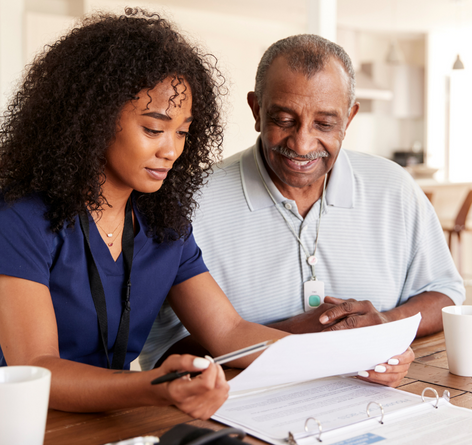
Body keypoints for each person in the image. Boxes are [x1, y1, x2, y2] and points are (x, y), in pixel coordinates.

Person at [0, 8, 298, 417]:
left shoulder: (165, 223)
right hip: (25, 424)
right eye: (154, 129)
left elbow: (230, 331)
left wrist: (347, 359)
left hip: (114, 421)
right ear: (93, 119)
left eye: (182, 131)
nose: (172, 150)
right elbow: (36, 368)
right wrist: (156, 386)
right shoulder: (19, 218)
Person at [140, 34, 463, 371]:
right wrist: (296, 336)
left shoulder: (395, 187)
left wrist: (384, 325)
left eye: (324, 123)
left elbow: (446, 291)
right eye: (283, 120)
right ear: (256, 109)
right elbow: (164, 350)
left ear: (349, 118)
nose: (303, 143)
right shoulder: (190, 201)